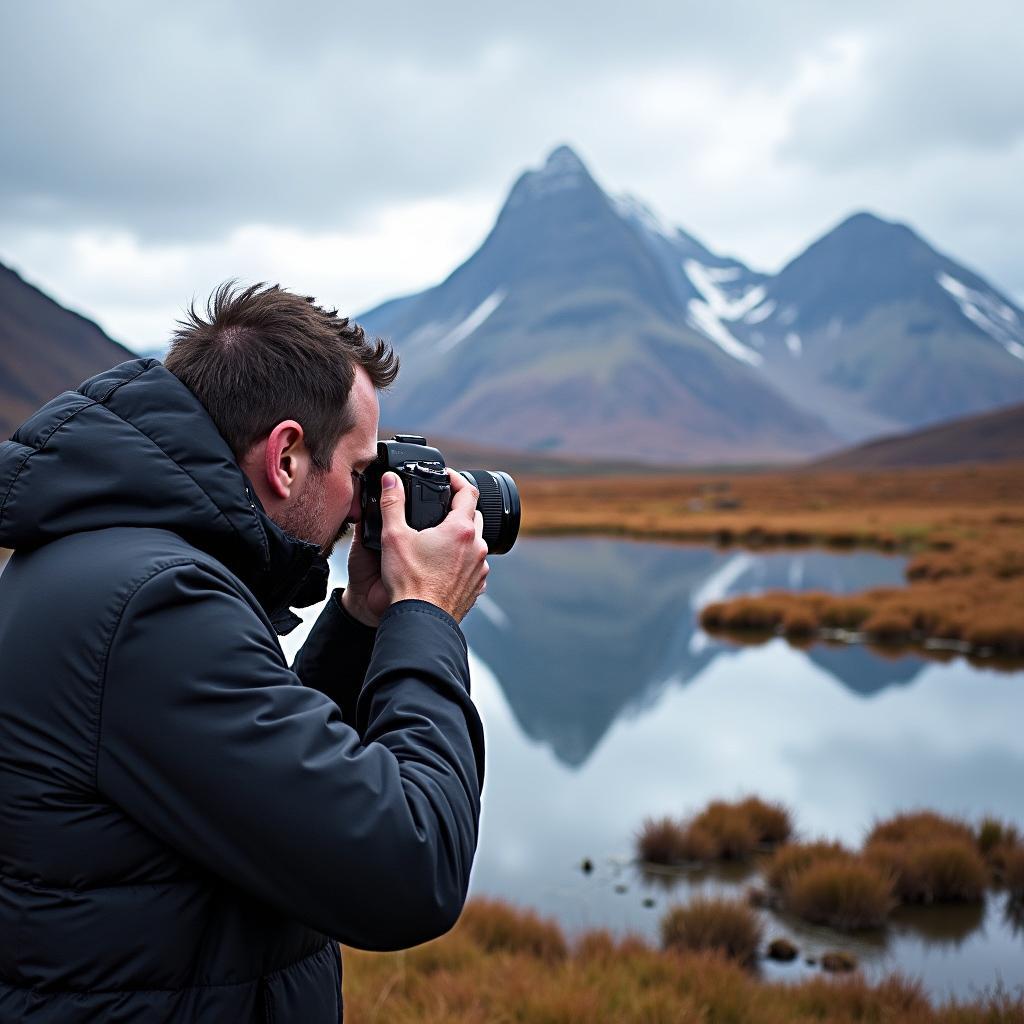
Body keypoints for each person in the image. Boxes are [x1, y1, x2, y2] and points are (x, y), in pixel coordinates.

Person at [0, 282, 488, 1023]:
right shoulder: (153, 608)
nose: (363, 507)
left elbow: (258, 775)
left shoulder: (112, 561)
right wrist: (427, 614)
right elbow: (411, 868)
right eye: (359, 473)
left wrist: (360, 617)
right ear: (286, 456)